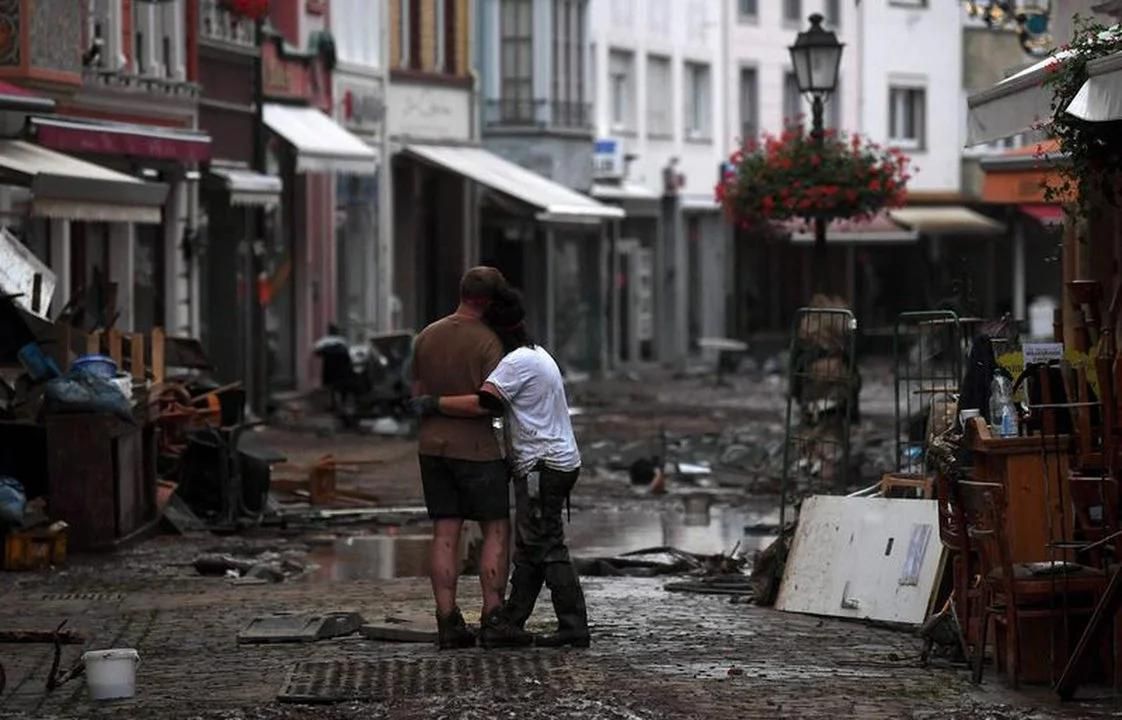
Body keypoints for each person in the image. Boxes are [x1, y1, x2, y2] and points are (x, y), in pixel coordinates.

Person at [414, 287, 590, 648]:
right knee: (531, 547)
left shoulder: (516, 363)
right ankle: (507, 622)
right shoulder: (535, 354)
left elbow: (485, 403)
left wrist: (434, 403)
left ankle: (573, 626)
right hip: (551, 462)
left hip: (544, 465)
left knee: (548, 546)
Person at [410, 267, 530, 649]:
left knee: (445, 532)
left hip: (432, 446)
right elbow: (490, 403)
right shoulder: (489, 342)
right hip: (478, 450)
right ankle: (493, 615)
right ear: (489, 302)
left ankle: (447, 620)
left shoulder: (426, 335)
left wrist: (435, 406)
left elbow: (417, 392)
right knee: (495, 528)